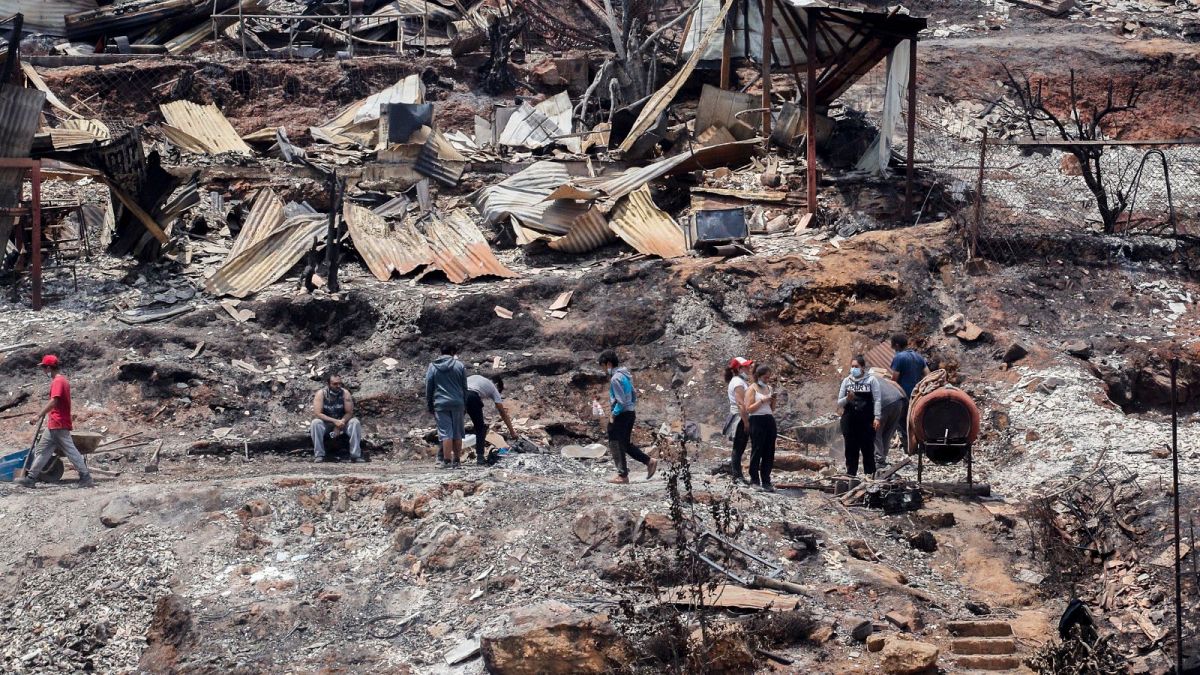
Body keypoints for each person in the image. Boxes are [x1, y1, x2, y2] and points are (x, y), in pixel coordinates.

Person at [15, 355, 94, 488]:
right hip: (54, 423)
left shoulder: (58, 381)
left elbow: (54, 401)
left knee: (70, 451)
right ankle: (31, 478)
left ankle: (85, 476)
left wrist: (38, 415)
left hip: (59, 422)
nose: (43, 371)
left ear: (50, 368)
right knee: (42, 450)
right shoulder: (61, 380)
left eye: (44, 368)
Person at [599, 350, 657, 484]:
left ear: (608, 364)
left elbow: (621, 401)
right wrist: (630, 407)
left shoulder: (615, 379)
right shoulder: (625, 375)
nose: (603, 369)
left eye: (603, 366)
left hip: (621, 414)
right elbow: (633, 394)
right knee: (625, 443)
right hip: (629, 413)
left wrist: (614, 414)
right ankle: (649, 461)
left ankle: (622, 475)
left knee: (615, 443)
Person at [426, 343, 468, 468]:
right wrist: (464, 403)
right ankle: (457, 461)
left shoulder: (433, 366)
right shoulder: (459, 365)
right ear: (451, 352)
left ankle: (446, 461)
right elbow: (465, 387)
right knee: (457, 433)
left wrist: (430, 404)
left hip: (441, 403)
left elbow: (429, 387)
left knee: (445, 433)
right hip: (457, 403)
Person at [838, 355, 881, 477]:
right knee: (851, 449)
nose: (853, 369)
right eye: (852, 367)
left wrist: (877, 417)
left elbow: (877, 400)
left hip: (866, 421)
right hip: (850, 421)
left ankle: (870, 476)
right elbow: (839, 402)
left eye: (856, 366)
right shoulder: (846, 381)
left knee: (867, 448)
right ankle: (851, 474)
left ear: (862, 367)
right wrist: (847, 398)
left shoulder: (871, 380)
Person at [889, 334, 929, 453]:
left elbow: (895, 379)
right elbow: (928, 374)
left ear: (896, 345)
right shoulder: (918, 357)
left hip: (904, 395)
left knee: (902, 421)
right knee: (916, 420)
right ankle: (921, 445)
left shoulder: (899, 357)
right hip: (918, 395)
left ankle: (910, 448)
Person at [310, 374, 363, 463]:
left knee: (355, 422)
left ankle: (356, 455)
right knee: (315, 423)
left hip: (343, 422)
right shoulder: (321, 394)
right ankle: (319, 455)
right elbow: (318, 413)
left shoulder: (345, 393)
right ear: (328, 384)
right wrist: (335, 422)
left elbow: (349, 412)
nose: (338, 386)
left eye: (339, 383)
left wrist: (339, 425)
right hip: (327, 423)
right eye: (335, 384)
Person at [466, 374, 517, 465]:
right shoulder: (493, 387)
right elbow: (502, 412)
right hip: (472, 396)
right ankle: (480, 458)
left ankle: (446, 457)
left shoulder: (475, 378)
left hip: (457, 395)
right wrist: (512, 432)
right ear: (497, 385)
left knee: (455, 426)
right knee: (480, 428)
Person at [743, 363, 778, 491]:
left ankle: (766, 480)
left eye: (769, 377)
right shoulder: (752, 388)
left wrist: (773, 400)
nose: (767, 380)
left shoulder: (769, 388)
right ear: (759, 376)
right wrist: (762, 401)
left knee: (769, 451)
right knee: (757, 449)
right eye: (766, 377)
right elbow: (749, 408)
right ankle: (754, 479)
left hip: (769, 420)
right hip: (757, 420)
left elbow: (772, 409)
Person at [722, 357, 753, 483]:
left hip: (742, 416)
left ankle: (737, 473)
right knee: (739, 447)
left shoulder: (740, 381)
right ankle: (737, 475)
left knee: (740, 446)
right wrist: (746, 422)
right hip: (740, 417)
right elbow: (741, 404)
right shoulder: (738, 383)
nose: (749, 368)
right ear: (739, 369)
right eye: (746, 366)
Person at [874, 371, 906, 472]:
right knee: (887, 433)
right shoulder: (877, 377)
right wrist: (906, 402)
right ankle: (882, 459)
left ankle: (878, 462)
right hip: (898, 400)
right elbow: (895, 384)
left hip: (884, 403)